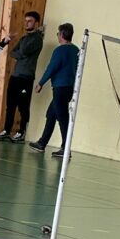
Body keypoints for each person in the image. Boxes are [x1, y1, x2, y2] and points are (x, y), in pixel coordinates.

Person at [29, 23, 79, 158]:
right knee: (51, 114)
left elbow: (52, 68)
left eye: (58, 33)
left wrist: (40, 83)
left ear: (62, 35)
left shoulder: (60, 50)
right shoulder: (76, 50)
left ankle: (65, 148)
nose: (57, 36)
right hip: (69, 88)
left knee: (63, 118)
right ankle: (42, 143)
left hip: (60, 88)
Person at [0, 11, 43, 143]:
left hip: (26, 78)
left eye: (30, 21)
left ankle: (21, 132)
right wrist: (19, 52)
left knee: (23, 106)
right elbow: (13, 53)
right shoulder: (23, 38)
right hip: (15, 76)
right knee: (10, 105)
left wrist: (20, 53)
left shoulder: (37, 38)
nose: (26, 23)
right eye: (25, 21)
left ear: (37, 23)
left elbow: (23, 51)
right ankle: (6, 130)